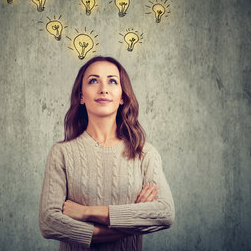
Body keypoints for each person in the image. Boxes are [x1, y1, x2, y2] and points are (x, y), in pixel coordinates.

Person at [39, 56, 174, 250]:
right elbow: (49, 222)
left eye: (112, 81)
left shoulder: (145, 153)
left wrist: (87, 212)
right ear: (81, 96)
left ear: (122, 97)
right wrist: (134, 219)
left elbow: (165, 213)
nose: (103, 88)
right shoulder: (61, 153)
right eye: (93, 81)